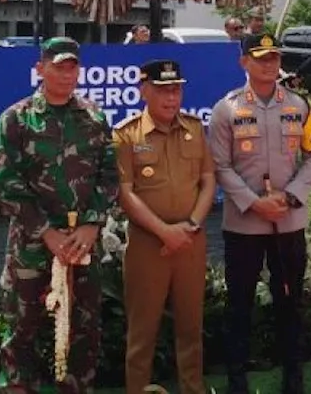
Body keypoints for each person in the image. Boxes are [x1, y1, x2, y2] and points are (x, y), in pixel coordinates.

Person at [0, 37, 119, 393]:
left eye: (72, 67)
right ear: (40, 69)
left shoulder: (94, 117)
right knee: (23, 327)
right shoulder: (17, 119)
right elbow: (7, 184)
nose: (67, 74)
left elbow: (108, 177)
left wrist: (93, 224)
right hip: (33, 244)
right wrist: (48, 233)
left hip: (82, 244)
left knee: (84, 327)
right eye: (58, 66)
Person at [207, 33, 311, 394]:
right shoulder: (226, 108)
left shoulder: (299, 105)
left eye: (274, 58)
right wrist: (254, 202)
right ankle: (237, 377)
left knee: (289, 300)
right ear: (244, 62)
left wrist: (290, 197)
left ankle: (293, 375)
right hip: (244, 224)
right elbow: (219, 166)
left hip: (288, 223)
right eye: (260, 58)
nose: (269, 64)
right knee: (239, 303)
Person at [113, 59, 217, 394]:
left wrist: (190, 224)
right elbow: (124, 193)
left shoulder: (194, 128)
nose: (172, 97)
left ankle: (193, 388)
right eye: (162, 90)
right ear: (144, 90)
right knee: (142, 331)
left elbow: (208, 179)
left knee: (191, 327)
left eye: (176, 89)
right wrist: (164, 231)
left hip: (190, 240)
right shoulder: (126, 135)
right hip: (148, 246)